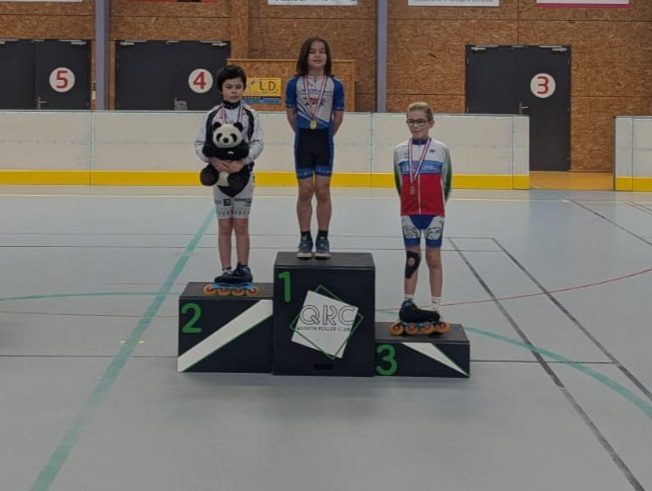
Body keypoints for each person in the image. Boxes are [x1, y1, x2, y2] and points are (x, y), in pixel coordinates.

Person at [194, 65, 264, 285]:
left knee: (241, 225)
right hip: (219, 178)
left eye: (238, 87)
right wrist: (212, 160)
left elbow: (258, 143)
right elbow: (199, 143)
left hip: (243, 178)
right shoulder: (212, 115)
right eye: (229, 87)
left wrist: (242, 162)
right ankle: (225, 270)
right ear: (220, 89)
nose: (234, 91)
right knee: (224, 226)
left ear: (244, 88)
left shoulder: (251, 115)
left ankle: (243, 268)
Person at [393, 102, 452, 328]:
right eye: (411, 121)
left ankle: (435, 307)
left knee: (433, 258)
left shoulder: (441, 149)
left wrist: (438, 206)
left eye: (420, 121)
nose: (415, 126)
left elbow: (447, 182)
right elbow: (399, 182)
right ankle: (408, 303)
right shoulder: (399, 150)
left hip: (434, 212)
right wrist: (407, 205)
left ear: (431, 123)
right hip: (409, 213)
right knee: (412, 258)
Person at [285, 36, 345, 260]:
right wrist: (303, 132)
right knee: (304, 191)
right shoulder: (294, 84)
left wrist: (326, 135)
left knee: (322, 190)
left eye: (322, 51)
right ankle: (304, 237)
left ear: (327, 56)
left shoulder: (335, 85)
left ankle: (322, 237)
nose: (318, 55)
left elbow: (338, 117)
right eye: (312, 51)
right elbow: (291, 115)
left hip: (324, 140)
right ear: (305, 55)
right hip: (303, 139)